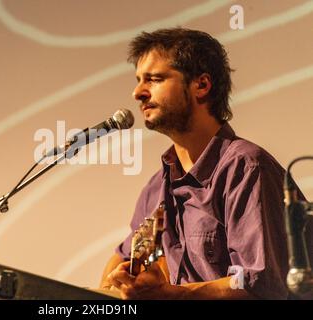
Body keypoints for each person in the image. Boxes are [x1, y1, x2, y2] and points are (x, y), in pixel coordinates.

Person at [99, 28, 312, 300]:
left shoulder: (245, 168)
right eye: (139, 80)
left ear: (201, 85)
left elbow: (258, 285)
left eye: (153, 79)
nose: (137, 92)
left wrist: (174, 295)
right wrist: (115, 286)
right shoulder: (156, 188)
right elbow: (120, 261)